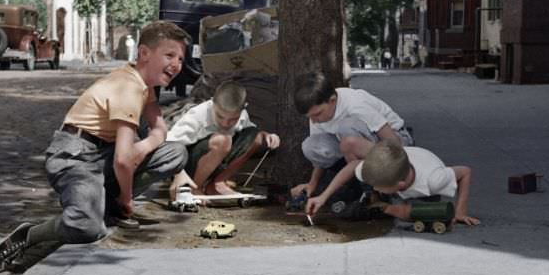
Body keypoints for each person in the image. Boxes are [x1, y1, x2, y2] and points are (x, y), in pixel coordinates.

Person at [0, 20, 190, 273]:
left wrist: (145, 145)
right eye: (169, 55)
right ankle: (29, 235)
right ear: (145, 53)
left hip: (103, 154)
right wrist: (128, 200)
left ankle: (106, 206)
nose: (177, 65)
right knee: (88, 228)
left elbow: (160, 129)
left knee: (176, 152)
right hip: (75, 156)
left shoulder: (145, 86)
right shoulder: (128, 87)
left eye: (180, 58)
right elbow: (123, 161)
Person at [290, 72, 413, 204]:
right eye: (310, 117)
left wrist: (400, 172)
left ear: (332, 100)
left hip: (393, 141)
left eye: (317, 114)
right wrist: (312, 184)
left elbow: (392, 141)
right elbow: (320, 159)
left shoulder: (355, 104)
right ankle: (358, 183)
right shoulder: (318, 116)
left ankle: (373, 186)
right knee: (311, 146)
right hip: (353, 147)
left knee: (347, 129)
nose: (314, 121)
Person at [306, 139, 480, 228]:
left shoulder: (434, 181)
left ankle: (388, 205)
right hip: (400, 163)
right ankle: (378, 201)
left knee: (423, 213)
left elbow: (465, 172)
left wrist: (460, 212)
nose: (374, 187)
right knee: (375, 195)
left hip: (424, 186)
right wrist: (323, 197)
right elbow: (352, 166)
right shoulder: (384, 172)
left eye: (378, 187)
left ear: (400, 185)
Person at [166, 80, 280, 196]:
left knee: (257, 136)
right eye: (220, 116)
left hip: (217, 162)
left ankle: (217, 184)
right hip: (187, 167)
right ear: (212, 102)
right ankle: (195, 187)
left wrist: (267, 136)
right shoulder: (197, 115)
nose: (225, 124)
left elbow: (249, 135)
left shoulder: (242, 115)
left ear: (243, 108)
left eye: (232, 119)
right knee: (223, 140)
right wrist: (178, 175)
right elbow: (169, 145)